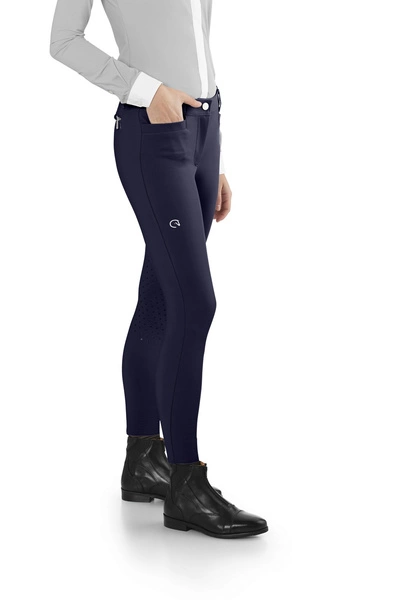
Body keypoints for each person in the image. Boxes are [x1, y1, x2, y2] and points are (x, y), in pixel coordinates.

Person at [50, 0, 268, 539]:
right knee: (194, 304)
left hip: (204, 129)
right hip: (153, 130)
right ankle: (186, 483)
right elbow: (63, 41)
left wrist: (212, 159)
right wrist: (145, 90)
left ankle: (144, 460)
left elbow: (193, 39)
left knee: (162, 300)